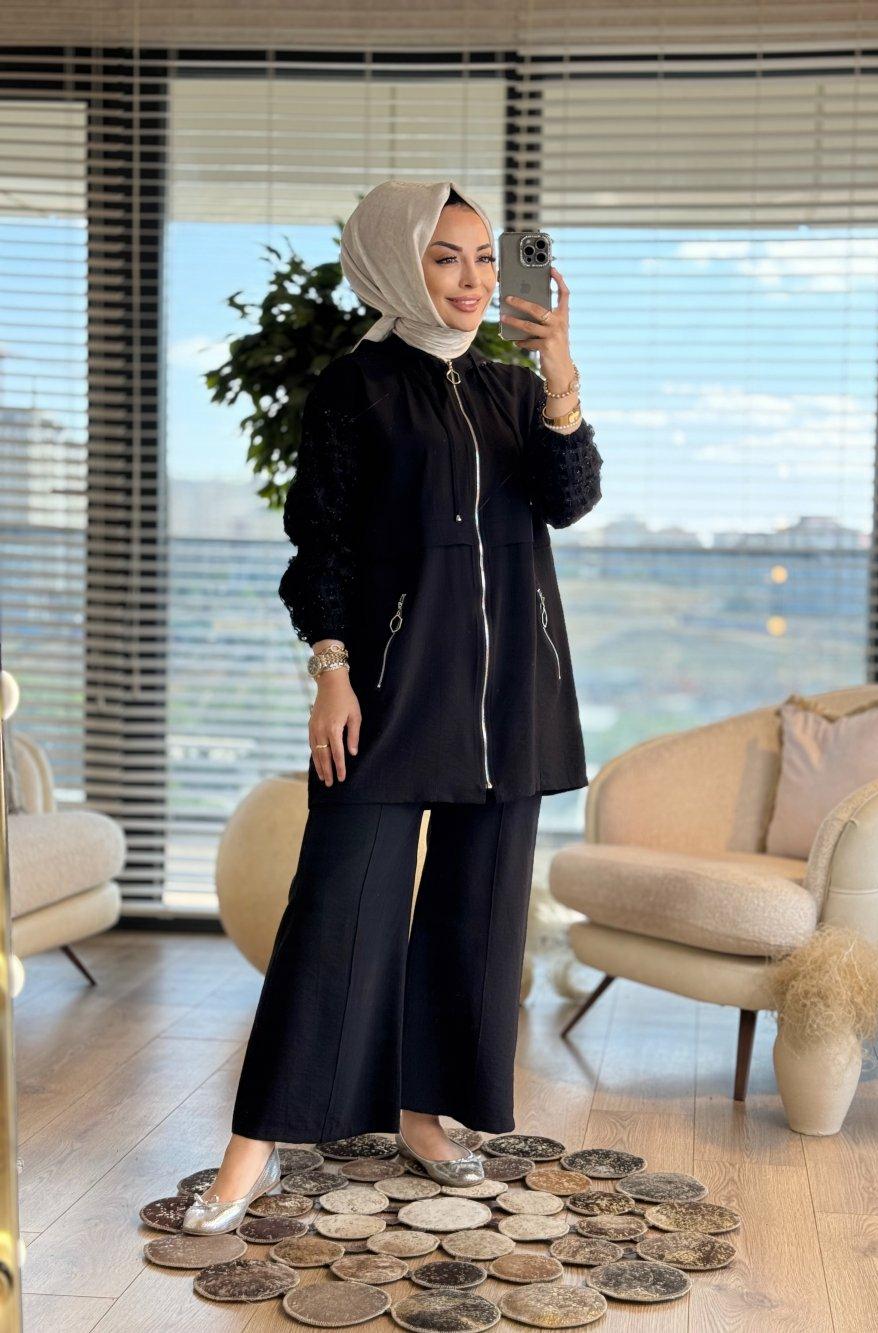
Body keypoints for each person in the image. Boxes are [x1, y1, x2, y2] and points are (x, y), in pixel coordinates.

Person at [183, 179, 603, 1234]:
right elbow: (318, 542)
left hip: (510, 695)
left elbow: (568, 500)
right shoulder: (356, 387)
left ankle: (423, 1116)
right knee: (336, 907)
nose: (473, 279)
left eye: (484, 257)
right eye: (445, 257)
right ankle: (253, 1147)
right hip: (391, 687)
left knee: (477, 918)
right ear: (393, 261)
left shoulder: (513, 390)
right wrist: (331, 667)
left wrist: (559, 376)